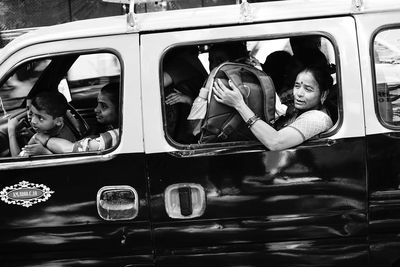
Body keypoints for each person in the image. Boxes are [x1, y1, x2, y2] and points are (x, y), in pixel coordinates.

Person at [213, 65, 333, 151]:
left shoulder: (318, 118)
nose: (299, 93)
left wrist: (239, 104)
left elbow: (275, 142)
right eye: (297, 86)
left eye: (308, 89)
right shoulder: (296, 110)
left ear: (323, 94)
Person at [32, 82, 119, 153]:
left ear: (120, 109)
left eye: (104, 106)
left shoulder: (116, 136)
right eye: (98, 104)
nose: (96, 109)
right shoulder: (110, 128)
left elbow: (72, 149)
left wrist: (45, 139)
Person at [8, 91, 76, 156]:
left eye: (40, 118)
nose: (33, 121)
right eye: (32, 114)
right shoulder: (50, 131)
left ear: (58, 121)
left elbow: (17, 160)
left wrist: (11, 131)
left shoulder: (64, 142)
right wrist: (31, 135)